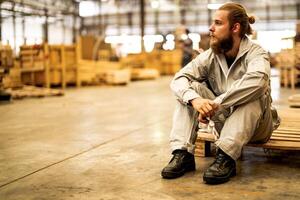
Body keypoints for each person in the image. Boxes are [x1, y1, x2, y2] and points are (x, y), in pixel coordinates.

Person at [161, 2, 280, 184]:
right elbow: (179, 78)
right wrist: (195, 100)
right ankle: (182, 153)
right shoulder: (211, 55)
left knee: (255, 92)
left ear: (235, 27)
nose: (210, 28)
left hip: (257, 126)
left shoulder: (256, 53)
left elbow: (258, 81)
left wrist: (216, 104)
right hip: (223, 122)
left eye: (217, 23)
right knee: (187, 91)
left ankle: (226, 157)